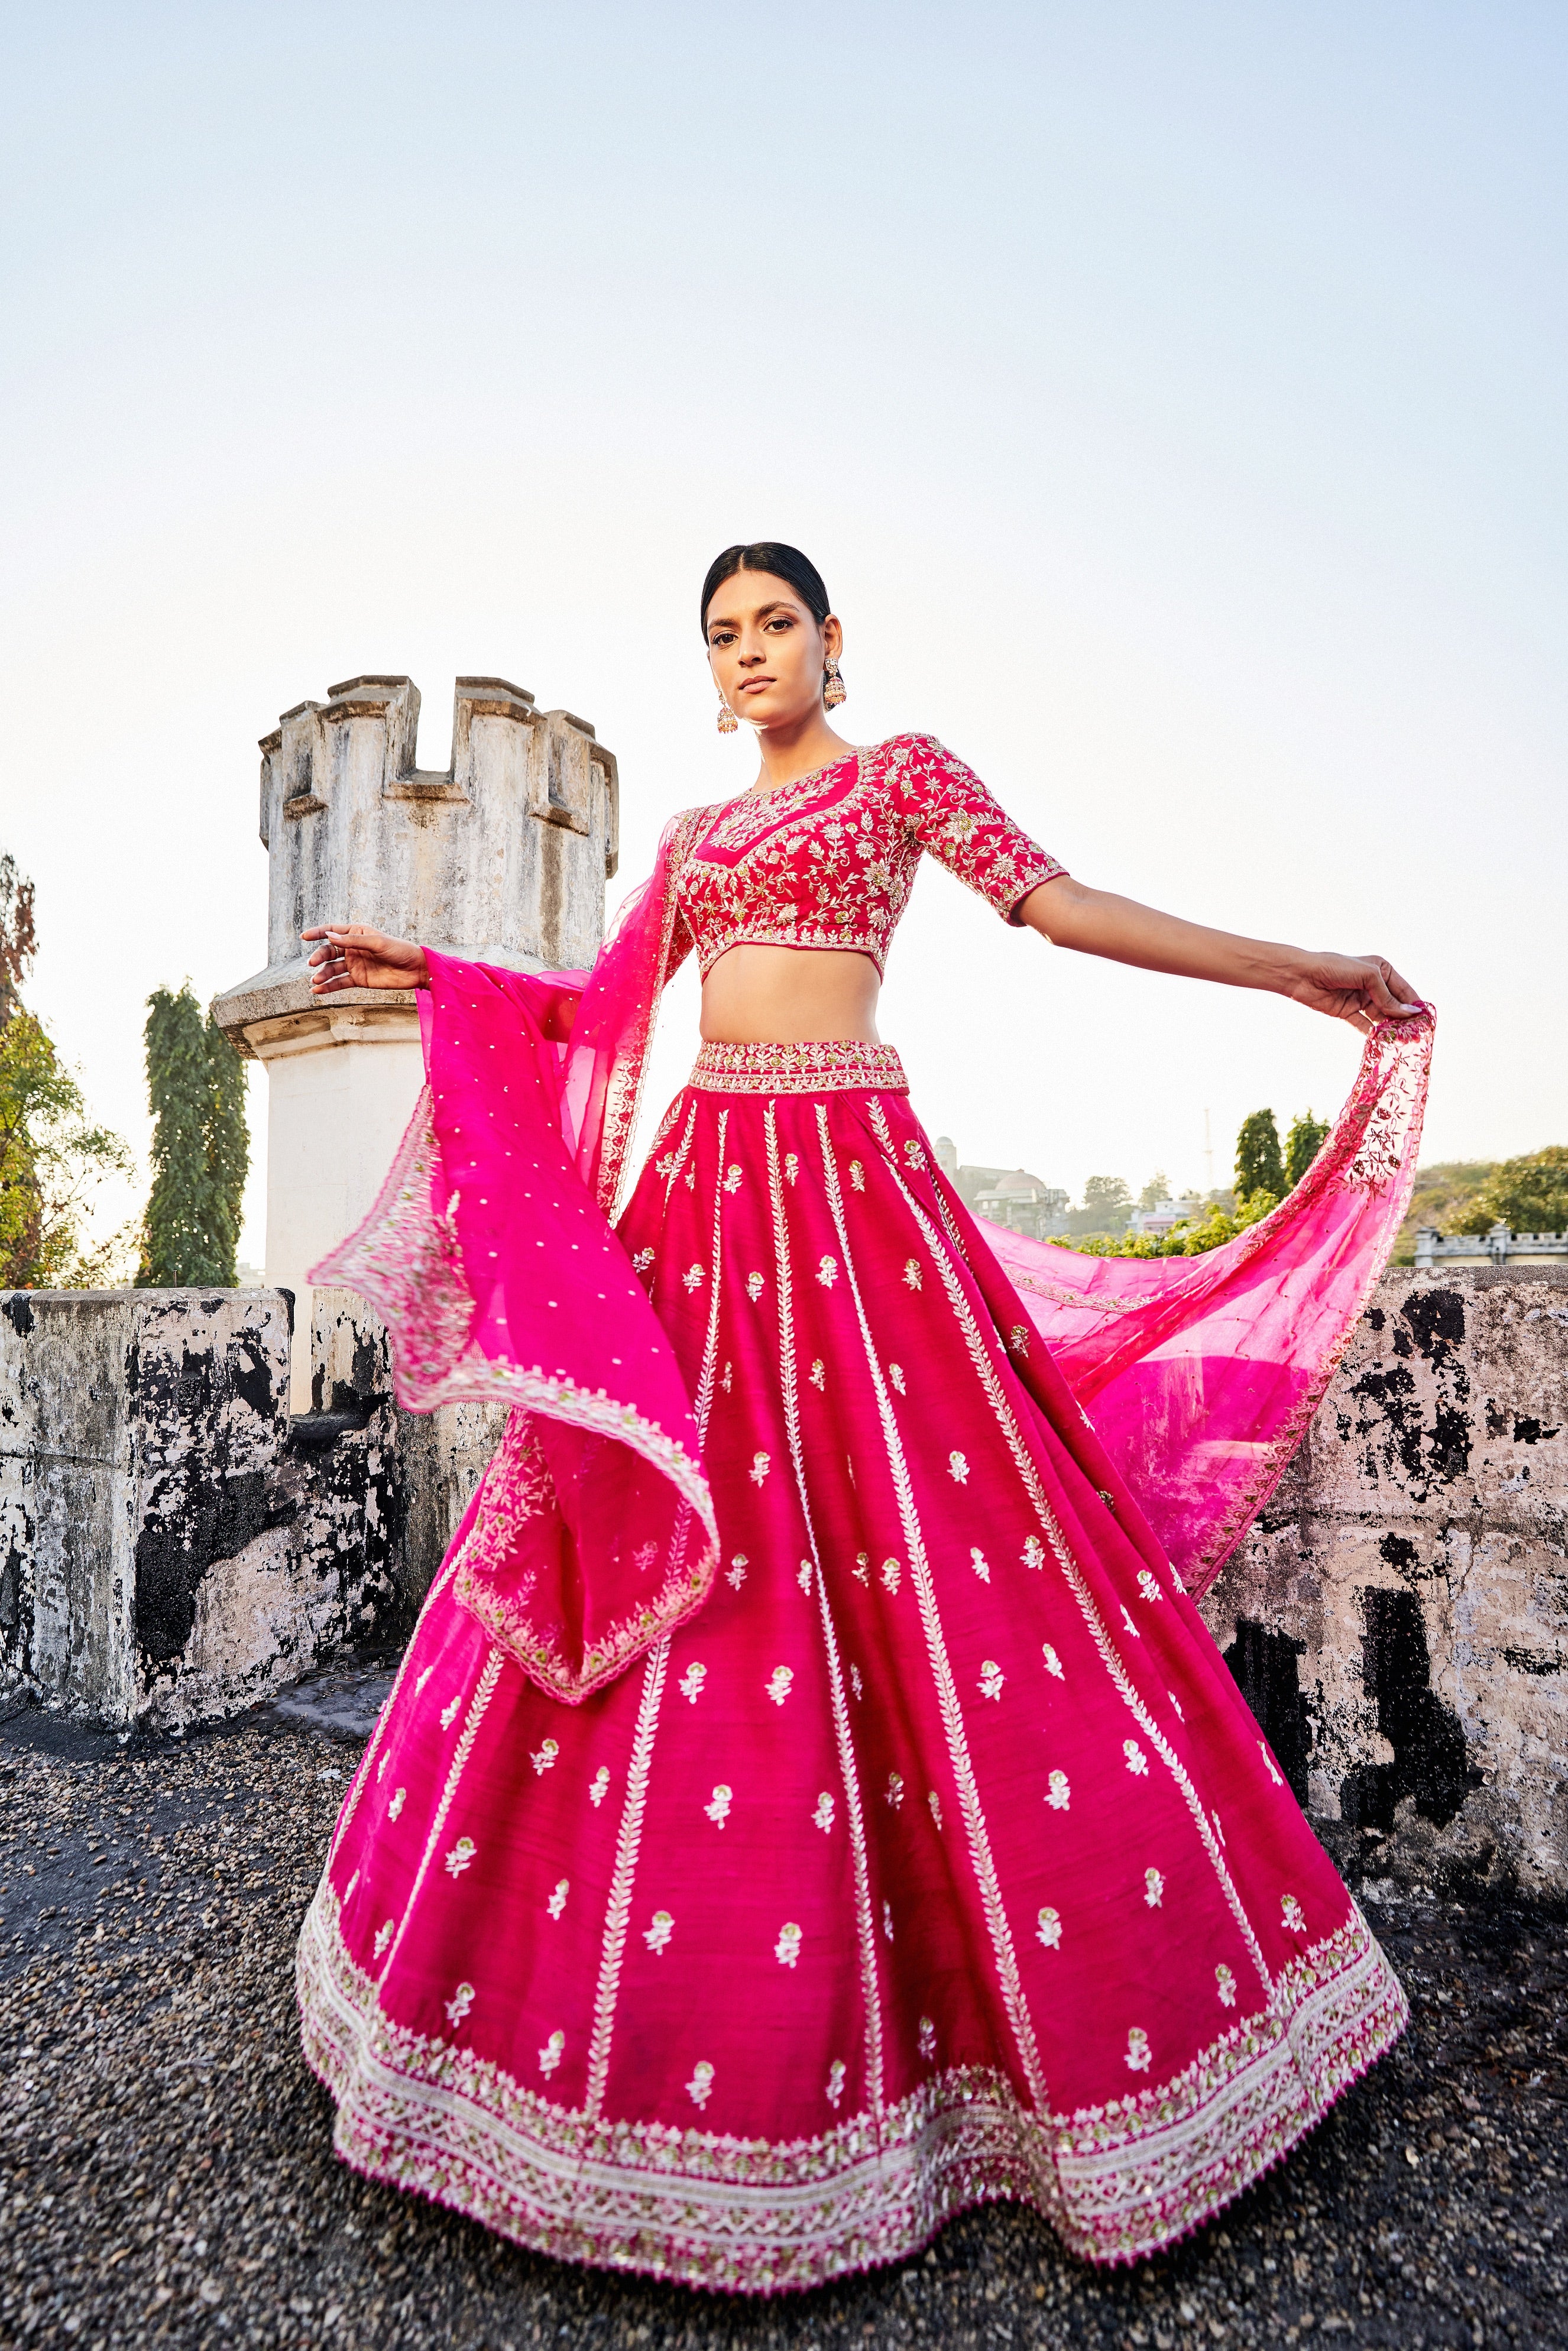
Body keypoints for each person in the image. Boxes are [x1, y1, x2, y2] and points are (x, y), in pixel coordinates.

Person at [294, 542, 1430, 2292]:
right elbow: (592, 1011)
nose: (750, 656)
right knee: (675, 1558)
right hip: (708, 1197)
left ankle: (1024, 2063)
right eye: (723, 637)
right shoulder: (686, 841)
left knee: (949, 1566)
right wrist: (423, 968)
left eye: (775, 627)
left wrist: (1290, 971)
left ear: (834, 642)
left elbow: (1056, 905)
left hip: (858, 1199)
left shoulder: (900, 779)